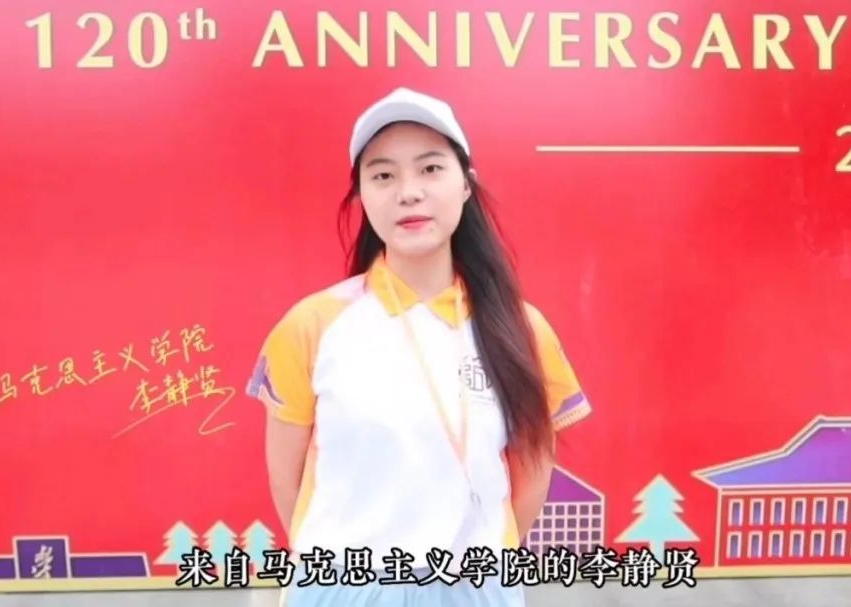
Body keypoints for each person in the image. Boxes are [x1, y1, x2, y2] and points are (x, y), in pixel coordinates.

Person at [245, 87, 593, 606]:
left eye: (430, 169)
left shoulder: (521, 328)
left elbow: (532, 472)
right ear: (362, 197)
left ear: (466, 185)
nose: (408, 193)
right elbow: (287, 483)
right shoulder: (313, 326)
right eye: (383, 176)